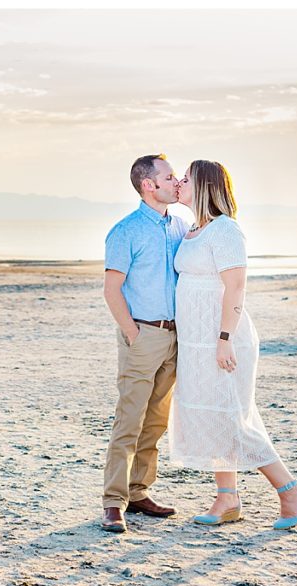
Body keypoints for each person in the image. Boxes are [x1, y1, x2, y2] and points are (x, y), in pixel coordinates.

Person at [169, 159, 297, 529]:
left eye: (187, 179)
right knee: (214, 417)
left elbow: (236, 288)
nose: (180, 183)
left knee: (234, 419)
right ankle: (227, 498)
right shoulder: (192, 230)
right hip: (196, 343)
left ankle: (290, 490)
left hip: (223, 340)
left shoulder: (226, 231)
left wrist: (224, 339)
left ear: (204, 187)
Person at [100, 153, 190, 533]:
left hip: (176, 336)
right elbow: (111, 289)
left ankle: (139, 491)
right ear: (148, 185)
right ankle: (114, 501)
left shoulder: (181, 225)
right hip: (143, 334)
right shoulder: (126, 230)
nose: (176, 182)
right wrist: (133, 334)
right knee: (130, 419)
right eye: (169, 177)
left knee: (156, 420)